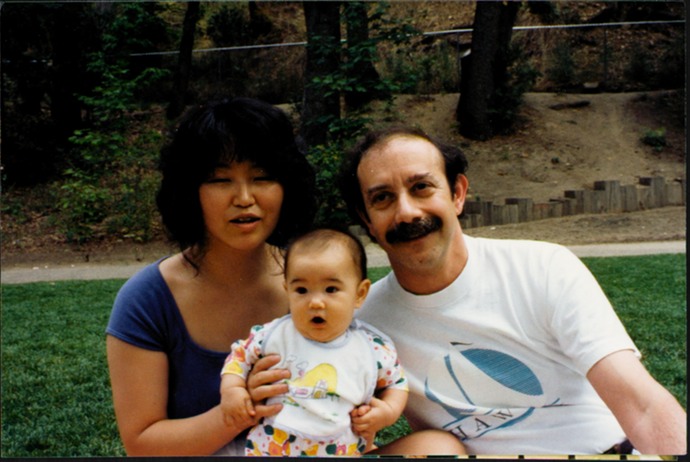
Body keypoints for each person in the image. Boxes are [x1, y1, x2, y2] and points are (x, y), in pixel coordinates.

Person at [338, 125, 687, 455]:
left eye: (421, 188)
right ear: (367, 219)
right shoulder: (363, 326)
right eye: (383, 198)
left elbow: (642, 406)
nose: (407, 212)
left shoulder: (542, 267)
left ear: (457, 194)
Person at [105, 97, 318, 456]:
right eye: (220, 179)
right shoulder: (148, 299)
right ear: (190, 191)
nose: (244, 197)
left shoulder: (317, 284)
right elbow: (141, 443)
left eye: (262, 177)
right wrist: (235, 412)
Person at [219, 228, 408, 456]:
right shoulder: (273, 335)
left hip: (339, 449)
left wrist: (387, 411)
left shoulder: (372, 348)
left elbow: (396, 383)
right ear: (287, 290)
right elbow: (238, 357)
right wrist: (232, 389)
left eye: (331, 289)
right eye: (301, 290)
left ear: (359, 293)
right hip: (270, 447)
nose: (315, 302)